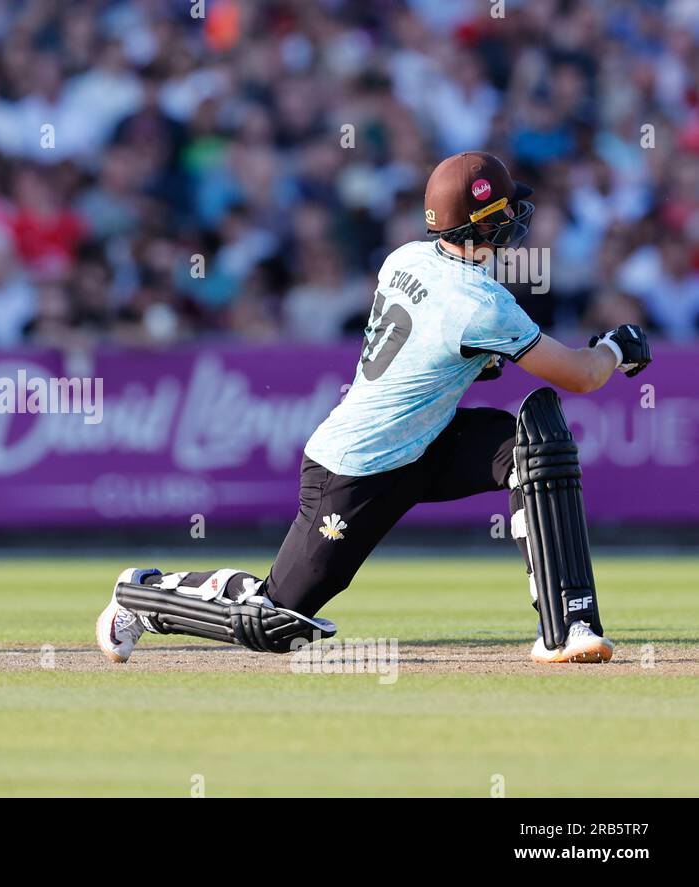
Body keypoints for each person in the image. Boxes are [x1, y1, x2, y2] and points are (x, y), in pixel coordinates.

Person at [96, 152, 652, 666]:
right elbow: (580, 375)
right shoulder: (481, 304)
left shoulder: (406, 256)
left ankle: (570, 623)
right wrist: (616, 347)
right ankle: (143, 595)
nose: (515, 221)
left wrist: (473, 363)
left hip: (426, 440)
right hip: (358, 465)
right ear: (481, 224)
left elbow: (423, 340)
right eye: (503, 210)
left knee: (533, 444)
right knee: (276, 619)